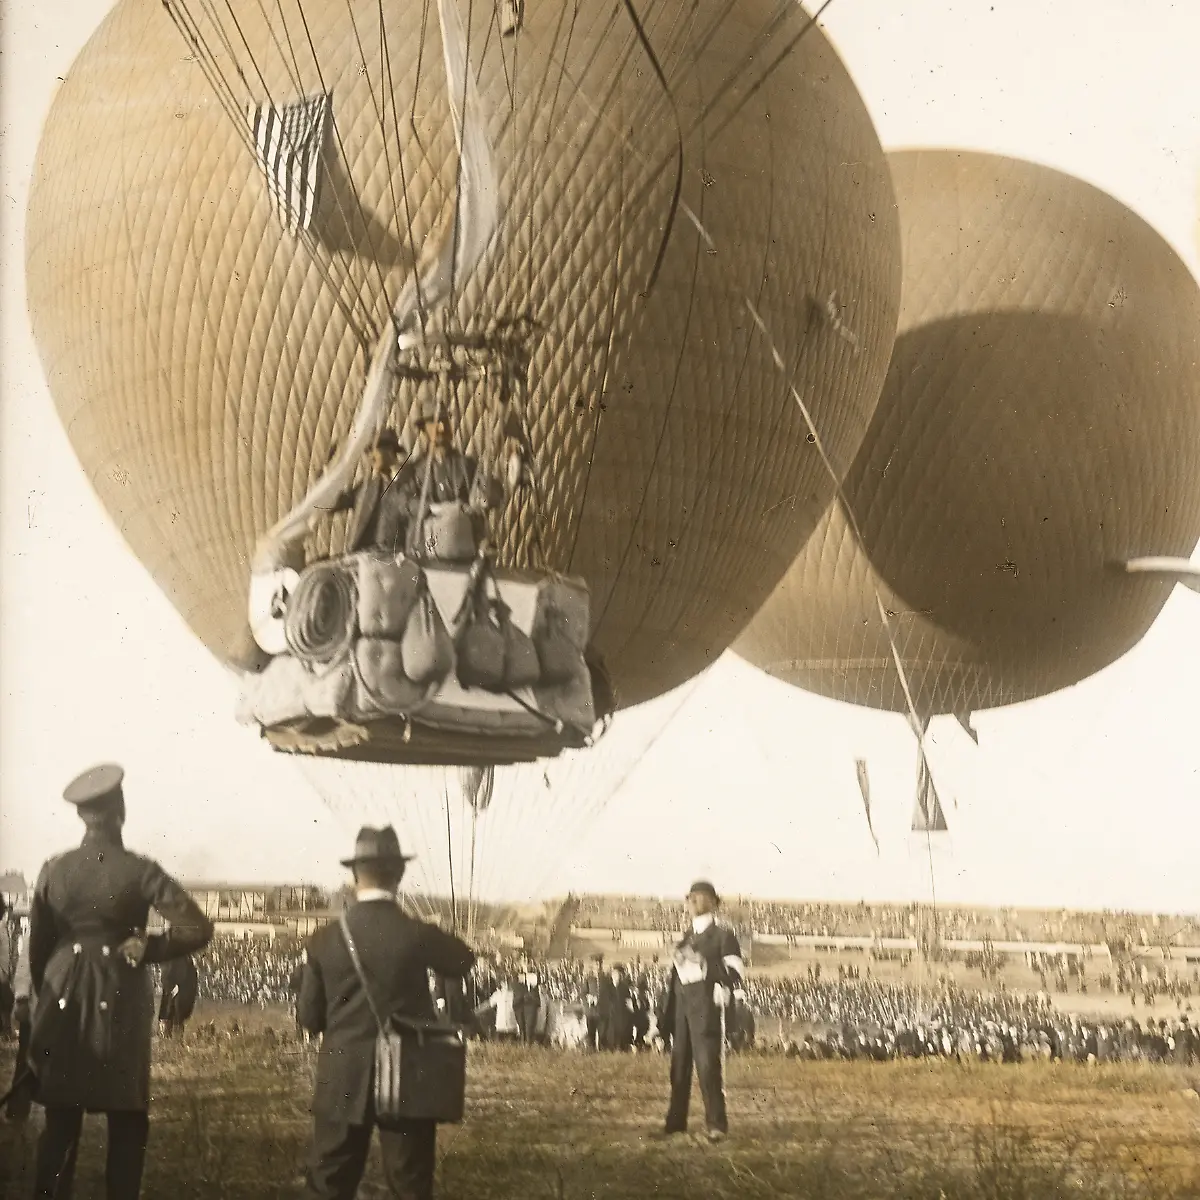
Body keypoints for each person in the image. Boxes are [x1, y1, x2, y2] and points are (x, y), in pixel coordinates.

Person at [27, 763, 215, 1199]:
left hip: (64, 993)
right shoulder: (139, 869)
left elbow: (38, 952)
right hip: (120, 993)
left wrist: (50, 1000)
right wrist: (150, 948)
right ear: (121, 811)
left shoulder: (52, 869)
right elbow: (198, 928)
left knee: (60, 1120)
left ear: (81, 817)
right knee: (127, 1117)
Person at [298, 825, 476, 1200]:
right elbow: (462, 960)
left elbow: (309, 1018)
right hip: (408, 1076)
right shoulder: (417, 933)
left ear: (353, 876)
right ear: (399, 875)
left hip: (343, 1077)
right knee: (410, 1187)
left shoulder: (323, 939)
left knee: (327, 1187)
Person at [658, 880, 745, 1143]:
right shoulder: (686, 936)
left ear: (712, 901)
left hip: (706, 1008)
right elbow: (674, 979)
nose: (691, 900)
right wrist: (666, 1015)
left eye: (697, 896)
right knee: (679, 1067)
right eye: (689, 897)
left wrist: (704, 962)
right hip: (683, 1009)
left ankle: (716, 1125)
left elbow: (736, 973)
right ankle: (675, 1123)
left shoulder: (723, 936)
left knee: (707, 1067)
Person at [328, 428, 409, 555]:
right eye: (368, 451)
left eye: (374, 450)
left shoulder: (407, 483)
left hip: (395, 557)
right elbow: (331, 505)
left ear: (389, 450)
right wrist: (329, 468)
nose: (371, 456)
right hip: (363, 555)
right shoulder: (365, 487)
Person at [157, 951, 199, 1038]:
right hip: (175, 985)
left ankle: (172, 1041)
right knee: (173, 1014)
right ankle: (171, 1040)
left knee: (175, 1015)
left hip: (178, 986)